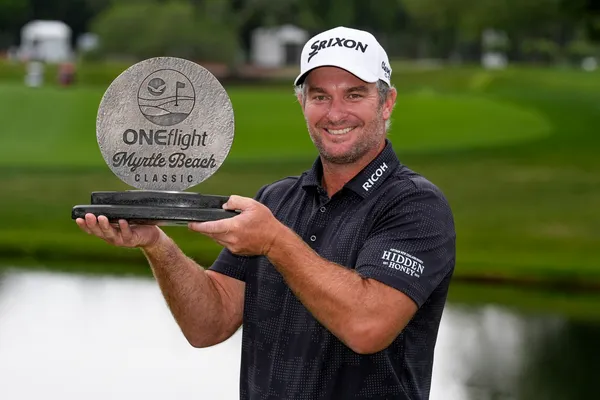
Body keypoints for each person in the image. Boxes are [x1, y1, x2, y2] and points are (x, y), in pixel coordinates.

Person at [76, 26, 456, 400]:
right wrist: (158, 245)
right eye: (320, 96)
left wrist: (274, 241)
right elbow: (208, 325)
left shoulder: (416, 205)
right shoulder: (276, 199)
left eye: (354, 94)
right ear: (302, 103)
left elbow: (367, 327)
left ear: (386, 102)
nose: (335, 113)